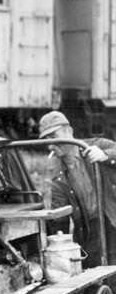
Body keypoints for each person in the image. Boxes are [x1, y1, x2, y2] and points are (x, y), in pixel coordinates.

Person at [37, 110, 116, 267]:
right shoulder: (57, 172)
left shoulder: (96, 145)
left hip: (112, 220)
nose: (50, 145)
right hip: (89, 231)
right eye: (46, 140)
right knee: (96, 275)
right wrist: (57, 248)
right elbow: (60, 215)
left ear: (69, 131)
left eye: (53, 136)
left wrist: (106, 155)